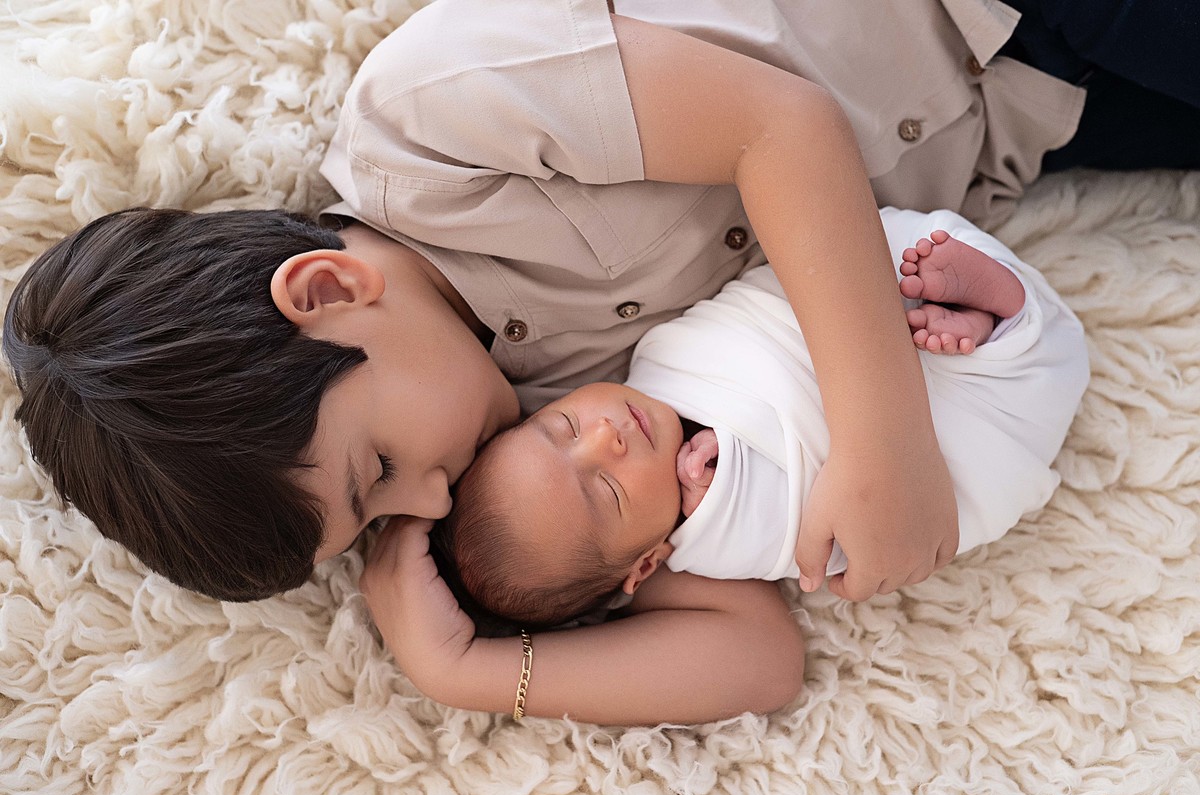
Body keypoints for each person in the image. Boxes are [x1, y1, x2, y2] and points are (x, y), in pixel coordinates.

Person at [2, 0, 1187, 723]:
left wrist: (883, 443)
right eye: (380, 521)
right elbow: (755, 655)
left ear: (327, 294)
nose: (426, 505)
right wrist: (464, 670)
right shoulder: (557, 437)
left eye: (379, 474)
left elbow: (783, 127)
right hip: (1039, 112)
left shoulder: (429, 131)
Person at [431, 208, 1090, 631]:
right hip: (957, 422)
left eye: (564, 428)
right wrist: (724, 481)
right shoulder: (715, 544)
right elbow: (816, 535)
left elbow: (747, 314)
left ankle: (955, 303)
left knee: (864, 251)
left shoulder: (651, 364)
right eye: (606, 489)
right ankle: (999, 321)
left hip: (850, 310)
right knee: (982, 414)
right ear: (646, 564)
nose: (607, 436)